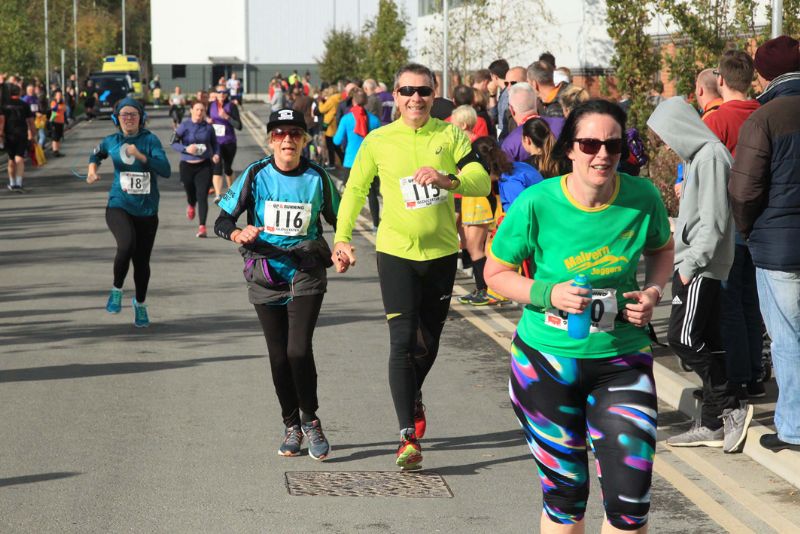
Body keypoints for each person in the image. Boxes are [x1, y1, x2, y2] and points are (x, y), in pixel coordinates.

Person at [485, 99, 674, 533]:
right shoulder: (537, 203)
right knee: (565, 501)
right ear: (570, 148)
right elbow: (495, 272)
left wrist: (652, 292)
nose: (602, 154)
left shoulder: (642, 197)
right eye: (590, 144)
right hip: (546, 365)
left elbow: (662, 250)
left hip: (621, 361)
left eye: (613, 145)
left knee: (631, 506)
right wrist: (548, 292)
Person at [332, 63, 490, 470]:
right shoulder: (378, 140)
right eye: (407, 91)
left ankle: (412, 394)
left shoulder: (450, 134)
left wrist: (446, 179)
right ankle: (406, 435)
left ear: (433, 94)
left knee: (428, 342)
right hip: (396, 252)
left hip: (439, 255)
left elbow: (481, 180)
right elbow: (354, 190)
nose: (415, 98)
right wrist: (342, 238)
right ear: (396, 97)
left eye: (423, 91)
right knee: (401, 341)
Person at [214, 109, 339, 460]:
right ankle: (291, 425)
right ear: (271, 140)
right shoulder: (255, 174)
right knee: (278, 356)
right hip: (265, 272)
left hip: (306, 270)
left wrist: (343, 246)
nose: (288, 140)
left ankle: (310, 419)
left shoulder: (317, 177)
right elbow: (222, 221)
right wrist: (239, 232)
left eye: (296, 134)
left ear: (304, 139)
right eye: (281, 134)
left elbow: (339, 219)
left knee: (298, 349)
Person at [648, 96, 753, 454]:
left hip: (699, 264)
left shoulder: (709, 156)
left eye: (665, 133)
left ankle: (730, 405)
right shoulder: (700, 156)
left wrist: (690, 265)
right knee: (708, 337)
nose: (665, 142)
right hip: (698, 261)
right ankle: (712, 422)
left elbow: (713, 220)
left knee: (682, 338)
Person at [728, 35, 800, 453]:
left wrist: (747, 230)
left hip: (778, 246)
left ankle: (792, 427)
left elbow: (743, 191)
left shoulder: (764, 118)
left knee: (788, 337)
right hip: (779, 240)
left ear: (762, 73)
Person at [703, 50, 764, 399]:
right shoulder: (762, 114)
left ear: (721, 81)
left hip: (727, 223)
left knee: (728, 305)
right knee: (752, 304)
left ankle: (738, 377)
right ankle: (755, 374)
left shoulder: (716, 120)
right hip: (760, 224)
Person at [85, 98, 171, 327]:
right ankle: (116, 288)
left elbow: (166, 170)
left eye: (133, 114)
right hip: (118, 204)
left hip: (147, 210)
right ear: (117, 119)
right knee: (126, 244)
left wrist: (142, 156)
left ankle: (140, 304)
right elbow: (96, 155)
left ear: (141, 118)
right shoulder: (111, 141)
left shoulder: (150, 140)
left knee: (142, 262)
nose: (128, 118)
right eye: (124, 114)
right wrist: (92, 171)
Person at [332, 88, 381, 228]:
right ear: (366, 101)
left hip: (350, 161)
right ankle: (376, 225)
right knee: (372, 195)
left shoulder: (346, 119)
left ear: (353, 100)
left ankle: (342, 225)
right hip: (369, 162)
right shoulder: (374, 120)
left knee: (348, 195)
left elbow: (336, 141)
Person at [172, 100, 221, 237]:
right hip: (186, 165)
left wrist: (216, 154)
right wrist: (186, 148)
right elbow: (173, 142)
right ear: (191, 110)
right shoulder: (184, 126)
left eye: (202, 110)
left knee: (202, 195)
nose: (200, 112)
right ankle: (191, 204)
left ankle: (202, 227)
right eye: (197, 110)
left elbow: (215, 144)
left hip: (204, 165)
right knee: (190, 191)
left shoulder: (208, 127)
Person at [501, 82, 564, 162]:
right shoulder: (562, 124)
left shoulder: (510, 144)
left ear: (512, 110)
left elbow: (508, 172)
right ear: (537, 103)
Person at [209, 87, 242, 203]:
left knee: (227, 168)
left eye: (224, 92)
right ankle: (218, 195)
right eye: (219, 92)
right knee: (217, 167)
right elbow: (206, 118)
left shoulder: (231, 106)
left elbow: (239, 126)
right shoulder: (211, 105)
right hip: (215, 143)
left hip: (229, 142)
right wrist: (208, 120)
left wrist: (227, 117)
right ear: (216, 94)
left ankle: (230, 193)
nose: (222, 94)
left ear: (227, 94)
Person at [1, 84, 35, 191]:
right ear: (19, 93)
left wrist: (1, 134)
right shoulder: (24, 105)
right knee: (20, 157)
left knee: (11, 159)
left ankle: (12, 183)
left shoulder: (3, 105)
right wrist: (33, 135)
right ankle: (19, 183)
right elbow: (30, 121)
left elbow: (1, 120)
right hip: (22, 134)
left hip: (9, 135)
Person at [317, 86, 342, 168]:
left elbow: (322, 110)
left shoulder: (331, 100)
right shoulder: (340, 98)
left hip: (329, 124)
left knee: (330, 145)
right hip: (336, 123)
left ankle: (331, 164)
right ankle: (342, 160)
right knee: (336, 146)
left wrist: (320, 102)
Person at [49, 89, 67, 157]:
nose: (59, 96)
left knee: (59, 136)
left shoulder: (63, 103)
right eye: (58, 95)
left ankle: (57, 151)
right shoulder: (54, 102)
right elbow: (53, 109)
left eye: (60, 95)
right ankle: (55, 151)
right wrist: (57, 103)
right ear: (55, 96)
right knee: (55, 137)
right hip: (54, 121)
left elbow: (64, 110)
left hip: (61, 122)